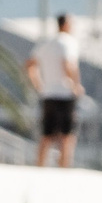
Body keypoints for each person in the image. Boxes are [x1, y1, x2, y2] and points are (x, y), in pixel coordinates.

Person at [23, 13, 83, 168]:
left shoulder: (46, 43)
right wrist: (76, 85)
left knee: (47, 135)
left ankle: (40, 167)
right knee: (66, 136)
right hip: (65, 93)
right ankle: (63, 170)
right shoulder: (68, 42)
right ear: (66, 25)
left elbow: (30, 65)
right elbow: (68, 64)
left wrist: (38, 84)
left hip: (48, 94)